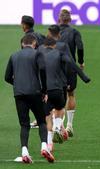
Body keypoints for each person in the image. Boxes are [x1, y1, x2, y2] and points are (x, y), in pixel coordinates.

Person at [4, 34, 54, 163]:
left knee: (24, 124)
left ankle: (24, 151)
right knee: (42, 121)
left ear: (22, 44)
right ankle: (44, 146)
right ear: (34, 43)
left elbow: (7, 77)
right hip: (35, 92)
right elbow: (42, 68)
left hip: (19, 94)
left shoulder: (14, 56)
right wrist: (44, 90)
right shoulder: (37, 54)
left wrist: (17, 84)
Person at [38, 37, 90, 150]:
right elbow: (72, 64)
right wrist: (84, 77)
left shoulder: (38, 54)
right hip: (57, 89)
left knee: (47, 117)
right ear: (54, 45)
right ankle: (58, 127)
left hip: (44, 90)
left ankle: (48, 145)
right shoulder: (59, 53)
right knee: (60, 108)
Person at [58, 9, 85, 137]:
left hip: (55, 66)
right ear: (70, 20)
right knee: (71, 94)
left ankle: (58, 125)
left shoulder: (53, 31)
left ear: (59, 19)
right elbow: (80, 47)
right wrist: (81, 62)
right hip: (70, 66)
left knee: (56, 95)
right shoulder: (74, 32)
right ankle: (69, 125)